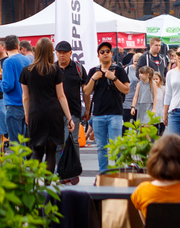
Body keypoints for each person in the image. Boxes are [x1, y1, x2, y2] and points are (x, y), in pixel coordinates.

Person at [20, 39, 76, 173]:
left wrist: (27, 114)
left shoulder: (26, 71)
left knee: (37, 149)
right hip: (53, 113)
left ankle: (33, 183)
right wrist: (69, 117)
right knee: (51, 151)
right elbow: (61, 96)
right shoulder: (55, 70)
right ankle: (47, 184)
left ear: (36, 51)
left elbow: (25, 96)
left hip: (35, 112)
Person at [83, 43, 130, 174]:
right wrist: (93, 78)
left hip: (115, 113)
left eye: (107, 51)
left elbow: (126, 89)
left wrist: (113, 78)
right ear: (98, 55)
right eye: (102, 52)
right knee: (101, 148)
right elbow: (86, 91)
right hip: (98, 115)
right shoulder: (93, 71)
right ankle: (103, 173)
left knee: (116, 146)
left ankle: (119, 172)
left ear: (111, 54)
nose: (105, 53)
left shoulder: (118, 70)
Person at [55, 40, 88, 178]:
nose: (61, 56)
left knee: (73, 141)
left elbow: (85, 91)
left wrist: (87, 109)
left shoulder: (78, 69)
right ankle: (61, 171)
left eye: (64, 53)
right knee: (58, 143)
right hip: (55, 112)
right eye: (59, 53)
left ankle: (73, 170)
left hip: (74, 111)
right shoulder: (52, 68)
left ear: (70, 53)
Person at [0, 34, 31, 143]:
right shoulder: (27, 60)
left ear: (5, 48)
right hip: (26, 105)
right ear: (18, 46)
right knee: (24, 143)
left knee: (15, 144)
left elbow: (7, 86)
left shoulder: (8, 62)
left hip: (13, 105)